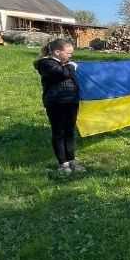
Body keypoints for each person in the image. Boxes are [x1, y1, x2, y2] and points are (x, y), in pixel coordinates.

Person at [34, 39, 84, 175]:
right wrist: (71, 67)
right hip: (56, 103)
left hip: (71, 101)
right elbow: (62, 74)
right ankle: (63, 164)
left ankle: (72, 160)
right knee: (59, 133)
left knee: (70, 131)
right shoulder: (45, 63)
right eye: (68, 53)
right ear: (57, 52)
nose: (70, 56)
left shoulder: (65, 64)